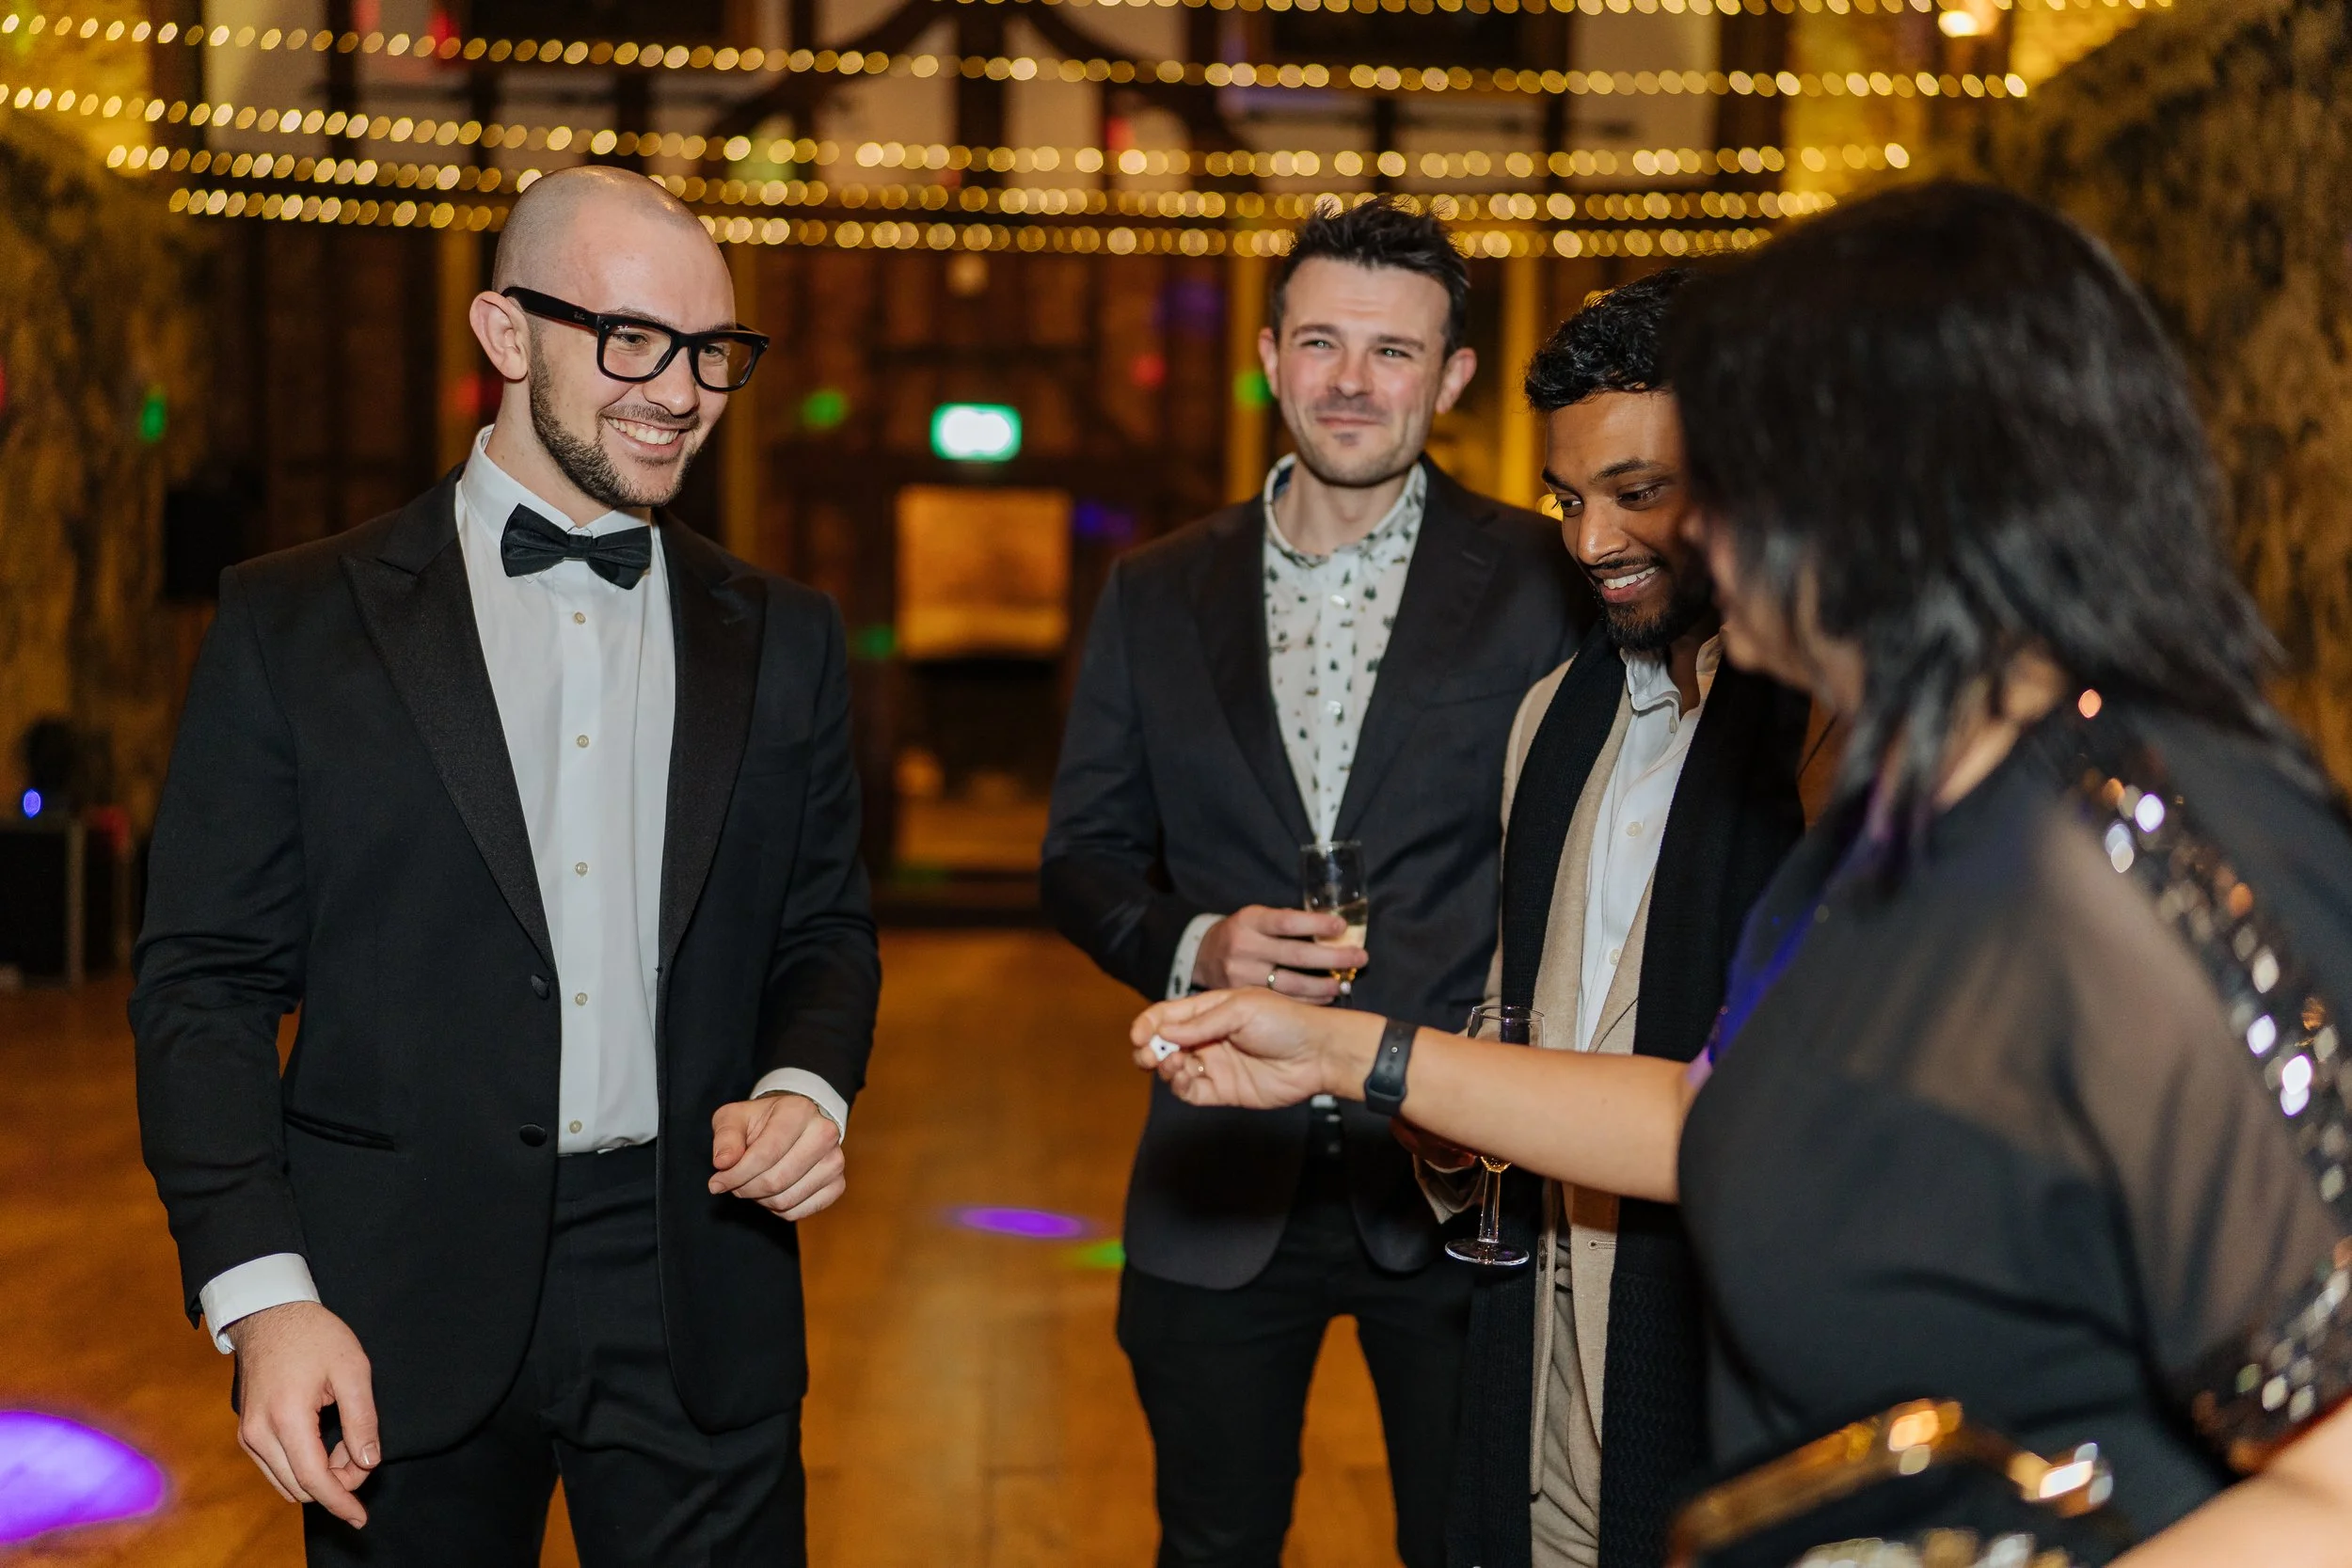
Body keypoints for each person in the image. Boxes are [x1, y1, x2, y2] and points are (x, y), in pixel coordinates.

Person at [1130, 182, 2352, 1564]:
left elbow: (2331, 1482)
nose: (1687, 532)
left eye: (1731, 474)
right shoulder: (1895, 820)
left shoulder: (2138, 855)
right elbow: (1702, 1117)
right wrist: (1335, 1050)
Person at [133, 166, 880, 1566]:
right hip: (388, 1298)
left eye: (715, 351)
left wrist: (803, 1082)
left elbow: (825, 925)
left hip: (695, 1286)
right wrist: (262, 1294)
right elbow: (205, 984)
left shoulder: (787, 636)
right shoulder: (292, 622)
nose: (682, 391)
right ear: (505, 332)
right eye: (631, 338)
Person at [1041, 195, 1588, 1568]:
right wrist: (1201, 943)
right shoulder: (1155, 590)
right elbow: (1082, 858)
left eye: (1394, 352)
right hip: (1218, 1176)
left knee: (1474, 1548)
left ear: (1454, 375)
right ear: (1272, 355)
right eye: (1324, 343)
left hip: (1465, 1185)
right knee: (1212, 1543)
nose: (1353, 381)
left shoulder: (1544, 576)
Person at [1412, 269, 1820, 1568]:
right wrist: (1453, 1112)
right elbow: (1518, 998)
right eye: (1569, 500)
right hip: (1540, 1360)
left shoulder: (1820, 738)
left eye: (1638, 492)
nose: (1590, 543)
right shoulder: (1554, 715)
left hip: (1721, 1373)